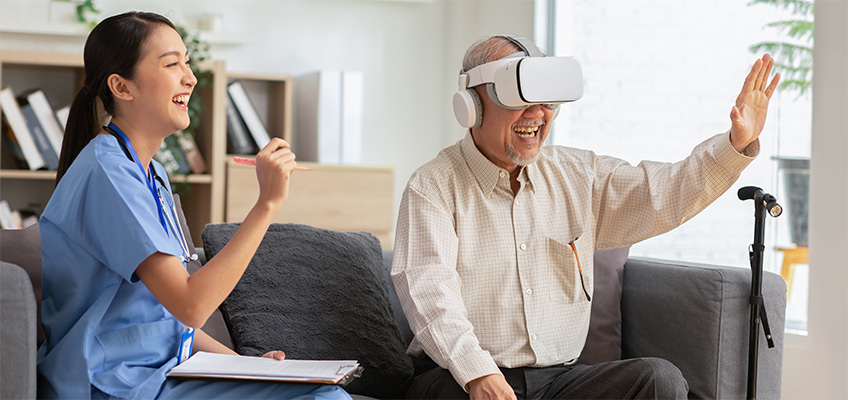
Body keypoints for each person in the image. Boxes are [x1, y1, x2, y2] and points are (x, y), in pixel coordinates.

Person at [392, 35, 779, 399]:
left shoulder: (578, 176)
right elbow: (430, 291)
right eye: (520, 97)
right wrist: (478, 373)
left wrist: (735, 143)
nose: (538, 114)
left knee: (658, 379)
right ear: (472, 104)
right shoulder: (433, 186)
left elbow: (664, 192)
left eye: (547, 101)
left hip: (557, 381)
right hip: (459, 379)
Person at [37, 11, 350, 400]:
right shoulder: (107, 172)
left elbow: (171, 322)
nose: (190, 78)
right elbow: (191, 305)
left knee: (318, 392)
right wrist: (266, 204)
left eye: (187, 62)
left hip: (158, 372)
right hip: (112, 382)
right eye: (172, 64)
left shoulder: (151, 174)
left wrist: (245, 364)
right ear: (121, 86)